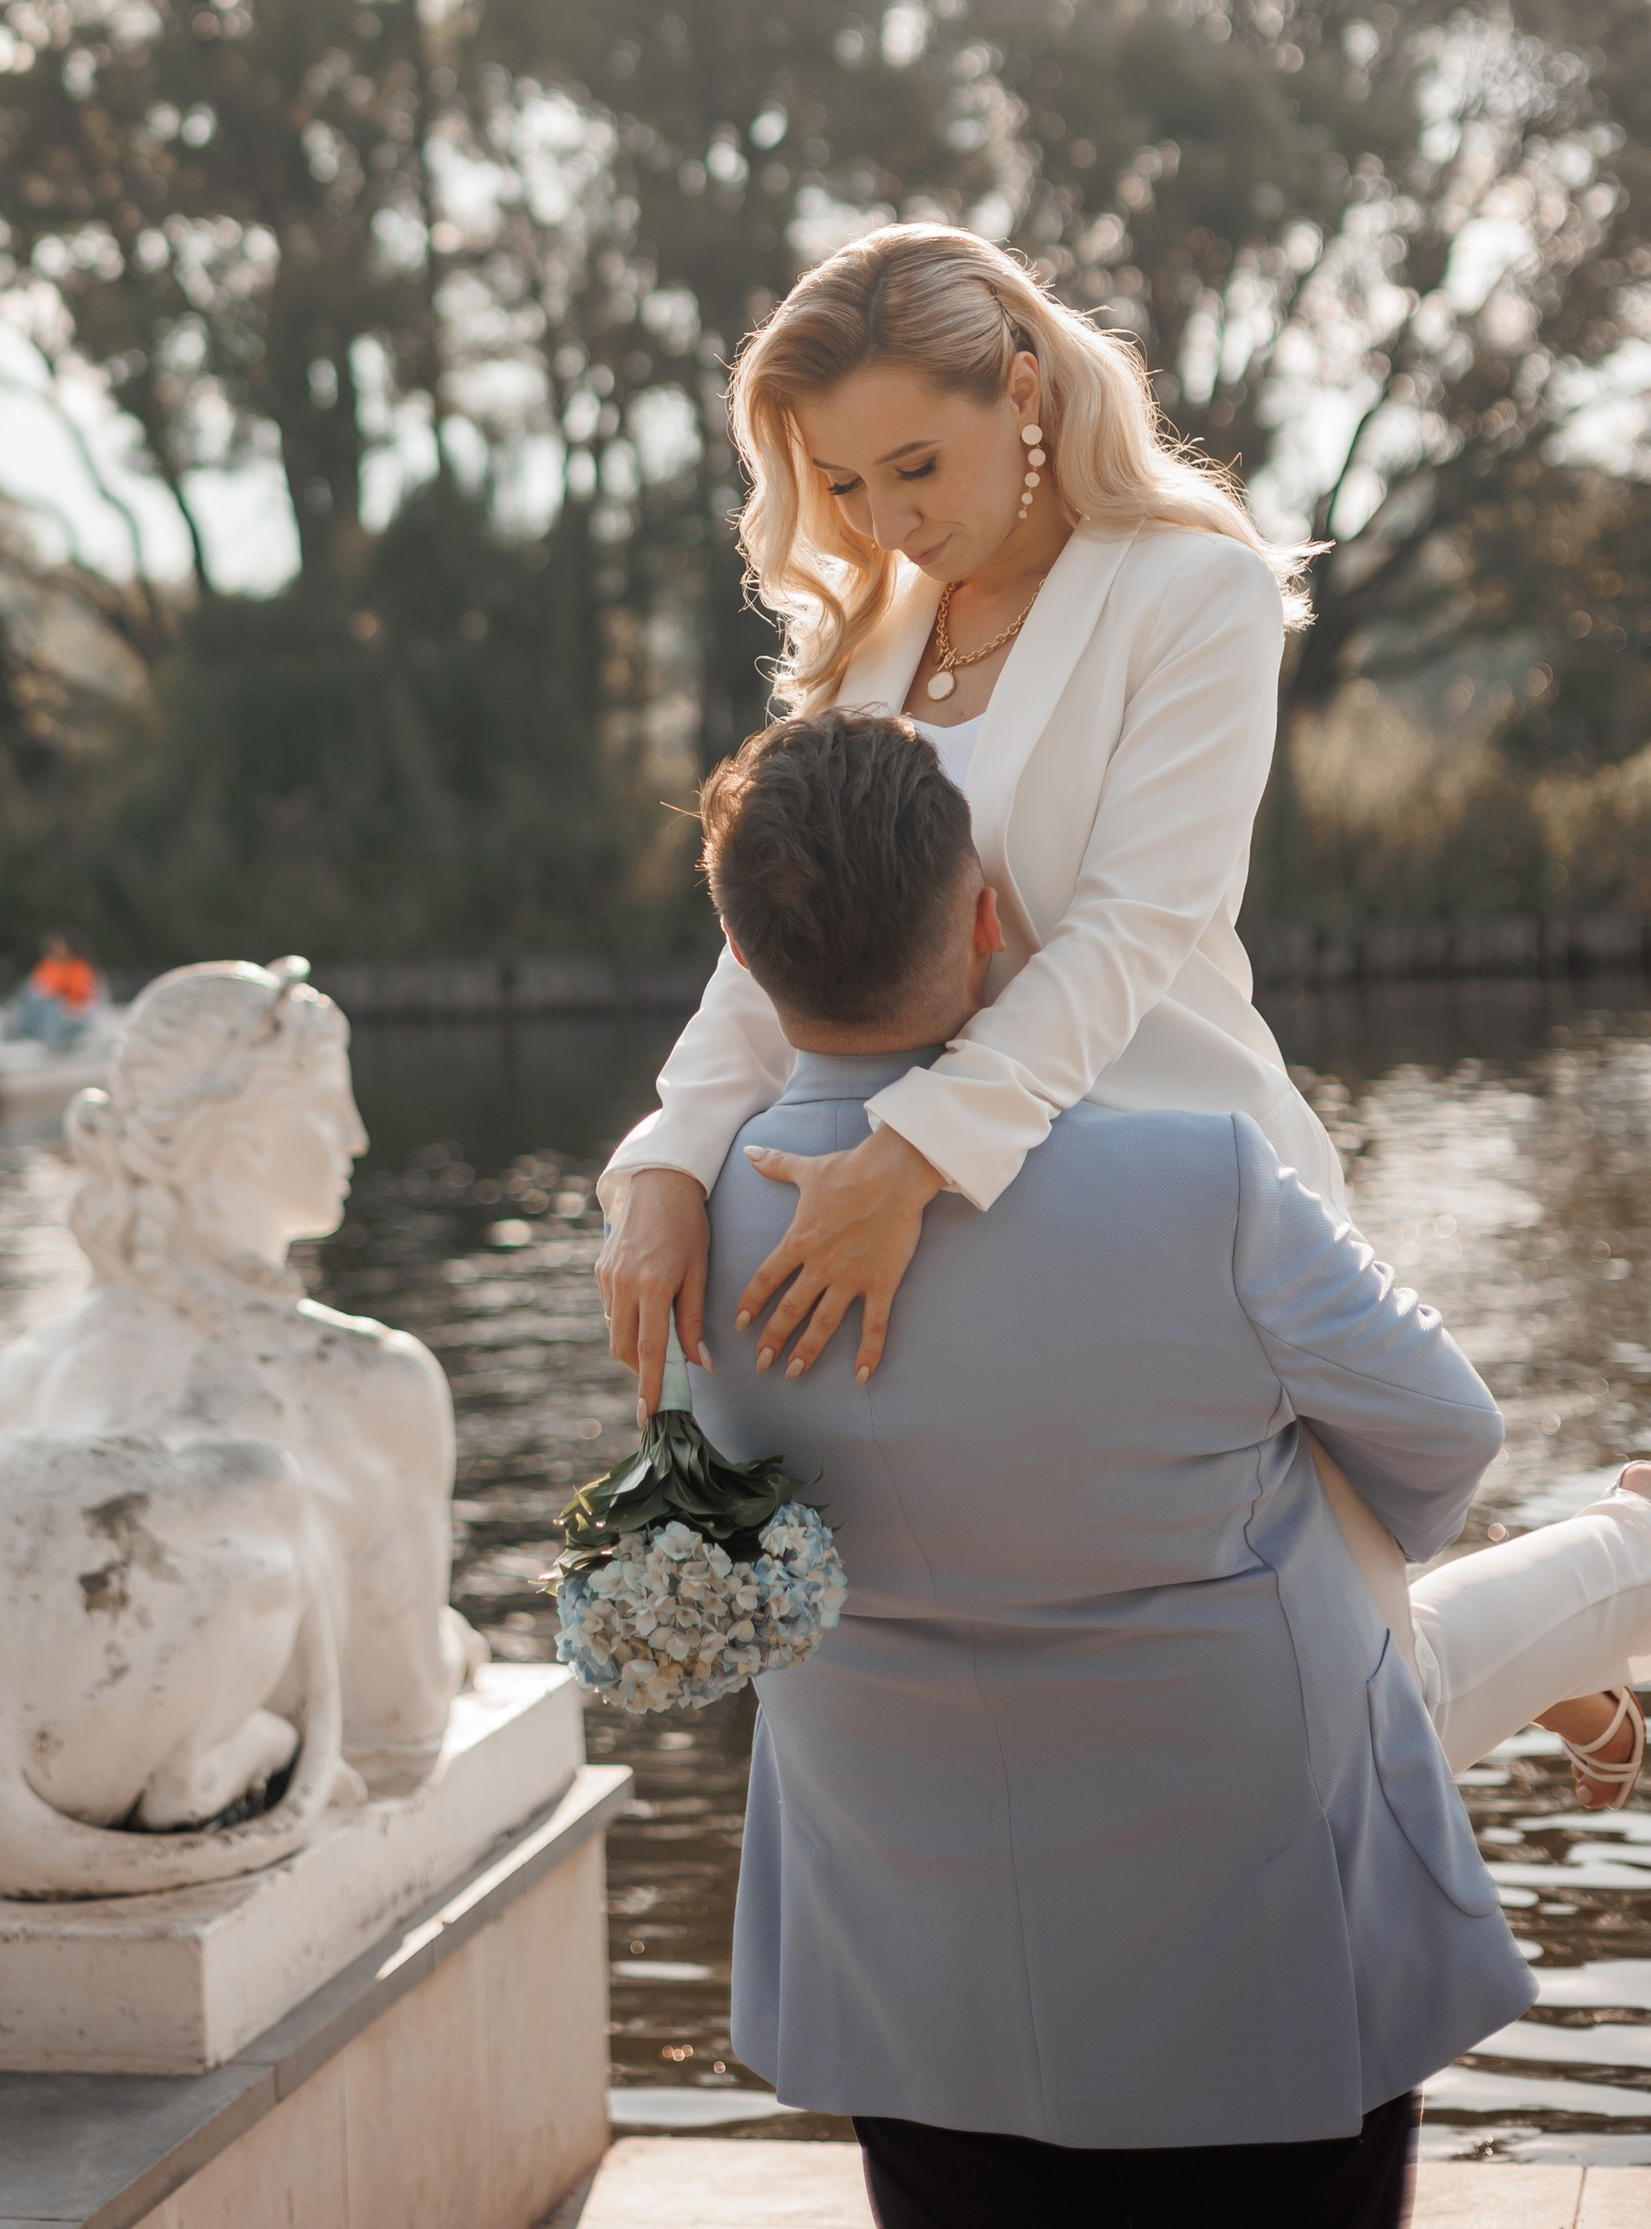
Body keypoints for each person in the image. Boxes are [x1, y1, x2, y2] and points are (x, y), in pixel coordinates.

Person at [600, 223, 1651, 1801]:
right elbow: (773, 936)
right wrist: (666, 1163)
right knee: (1166, 1697)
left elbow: (1135, 926)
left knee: (1339, 1720)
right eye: (840, 484)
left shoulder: (1192, 587)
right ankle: (1543, 1644)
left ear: (1022, 390)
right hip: (928, 1214)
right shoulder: (870, 634)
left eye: (916, 466)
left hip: (1178, 1187)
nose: (885, 521)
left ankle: (1618, 1563)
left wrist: (916, 1153)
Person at [694, 709, 1533, 2227]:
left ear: (744, 968)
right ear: (990, 923)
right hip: (1256, 1926)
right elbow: (1445, 1431)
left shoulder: (687, 1241)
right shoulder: (1197, 1178)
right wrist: (1330, 1561)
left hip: (907, 1950)